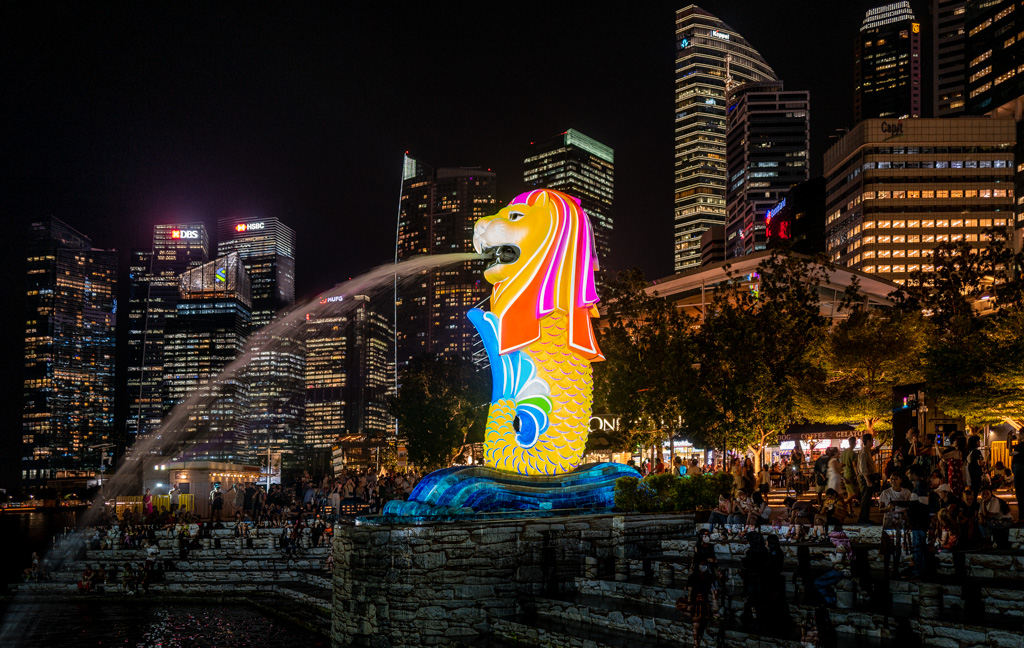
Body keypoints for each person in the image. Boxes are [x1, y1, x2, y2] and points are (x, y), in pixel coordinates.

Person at [857, 433, 879, 524]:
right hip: (866, 477)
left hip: (867, 477)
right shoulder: (864, 452)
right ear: (868, 441)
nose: (873, 442)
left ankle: (864, 518)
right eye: (872, 440)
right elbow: (863, 467)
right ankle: (863, 519)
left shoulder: (867, 451)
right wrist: (867, 480)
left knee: (867, 499)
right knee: (865, 499)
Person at [839, 438, 860, 507]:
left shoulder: (844, 452)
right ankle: (843, 504)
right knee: (855, 493)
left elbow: (841, 463)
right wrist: (857, 474)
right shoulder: (853, 453)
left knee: (849, 493)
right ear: (855, 443)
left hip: (845, 473)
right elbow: (854, 465)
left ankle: (850, 510)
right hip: (851, 474)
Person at [1009, 427, 1024, 522]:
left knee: (1020, 493)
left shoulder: (1022, 445)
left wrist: (1009, 440)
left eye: (1020, 433)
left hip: (1020, 471)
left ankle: (1022, 517)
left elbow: (1011, 452)